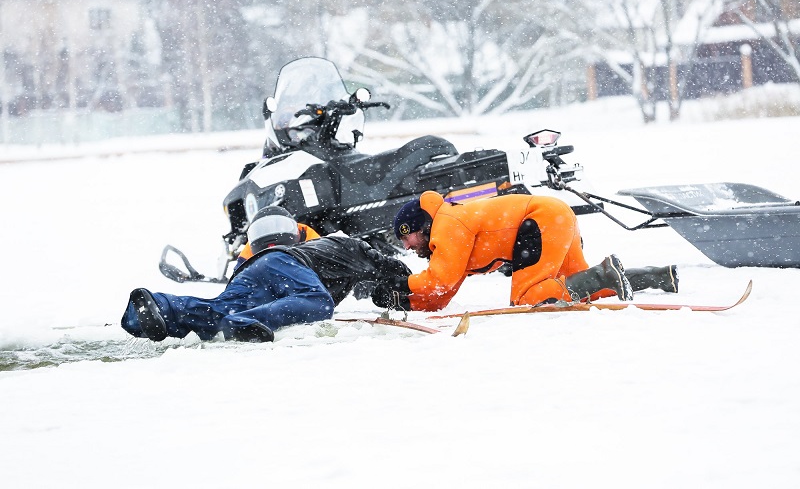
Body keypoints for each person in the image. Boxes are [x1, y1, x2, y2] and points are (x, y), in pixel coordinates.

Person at [122, 206, 410, 343]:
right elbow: (393, 269)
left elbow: (371, 286)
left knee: (219, 312)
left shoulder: (333, 261)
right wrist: (406, 294)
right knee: (319, 302)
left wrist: (383, 293)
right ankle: (246, 321)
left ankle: (156, 307)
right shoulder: (352, 246)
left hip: (252, 269)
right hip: (280, 263)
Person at [373, 191, 677, 312]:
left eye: (407, 237)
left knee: (528, 299)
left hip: (540, 220)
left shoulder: (447, 225)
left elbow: (438, 280)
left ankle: (605, 274)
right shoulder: (451, 229)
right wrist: (406, 303)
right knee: (577, 285)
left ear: (423, 225)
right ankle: (656, 277)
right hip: (553, 216)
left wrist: (402, 283)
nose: (407, 246)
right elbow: (444, 291)